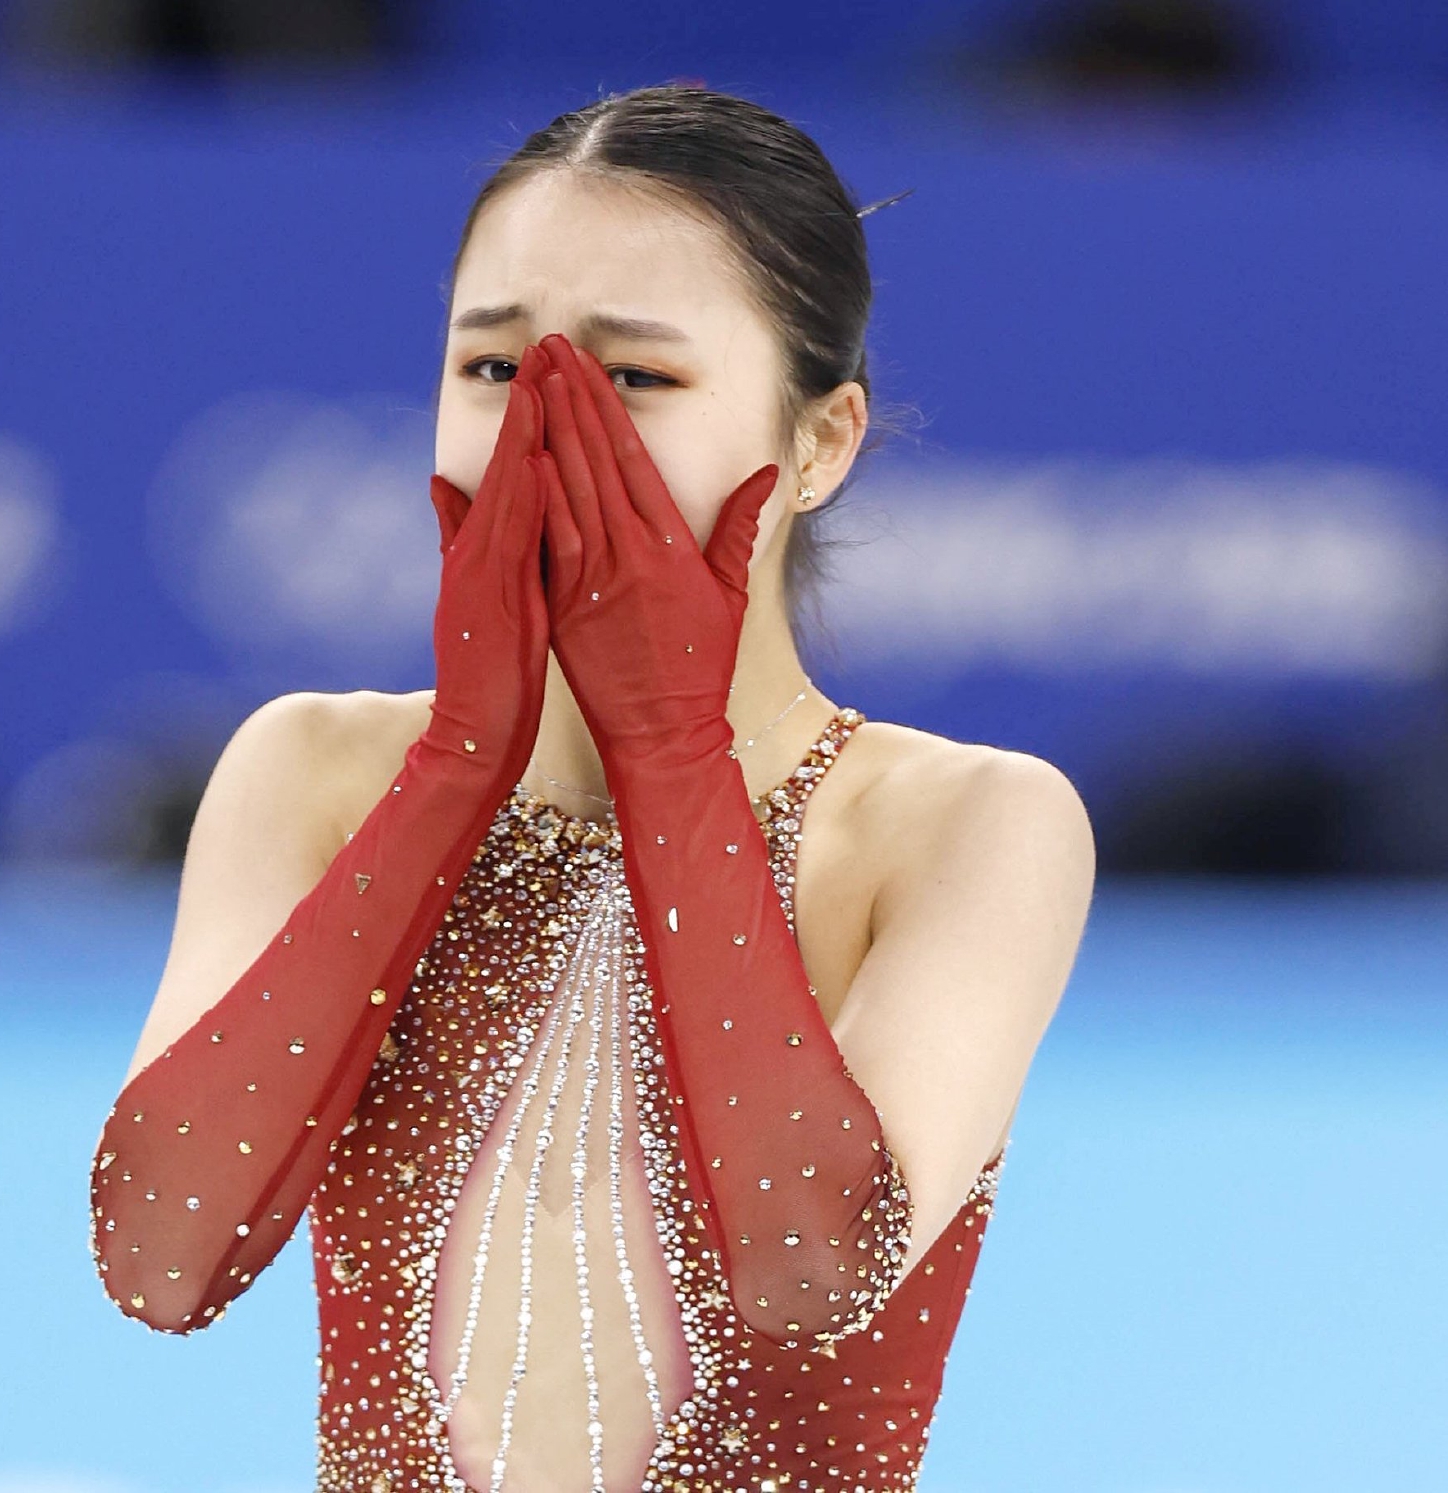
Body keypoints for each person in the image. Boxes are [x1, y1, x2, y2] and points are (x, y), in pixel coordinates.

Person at [90, 86, 1095, 1491]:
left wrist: (669, 748)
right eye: (496, 369)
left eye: (635, 381)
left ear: (820, 442)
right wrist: (454, 771)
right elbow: (161, 1255)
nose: (549, 440)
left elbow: (815, 1267)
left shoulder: (960, 826)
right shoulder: (314, 771)